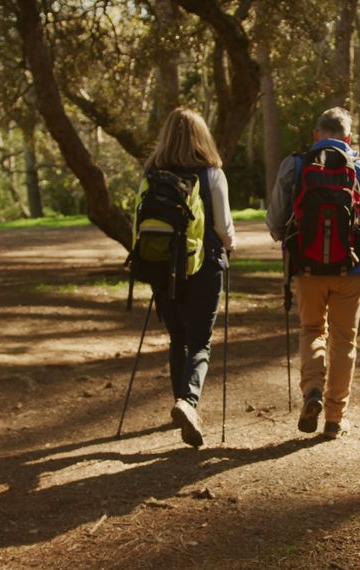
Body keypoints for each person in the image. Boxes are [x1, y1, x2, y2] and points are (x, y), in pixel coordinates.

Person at [266, 107, 360, 439]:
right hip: (352, 268)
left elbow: (276, 221)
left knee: (311, 330)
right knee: (344, 339)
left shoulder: (295, 165)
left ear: (316, 134)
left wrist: (291, 239)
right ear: (348, 138)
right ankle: (335, 418)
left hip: (306, 266)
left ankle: (312, 391)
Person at [142, 108, 235, 448]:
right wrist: (231, 246)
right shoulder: (211, 174)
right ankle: (188, 402)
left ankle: (181, 402)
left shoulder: (152, 173)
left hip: (162, 267)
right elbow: (223, 225)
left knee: (177, 337)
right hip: (204, 266)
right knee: (200, 341)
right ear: (202, 136)